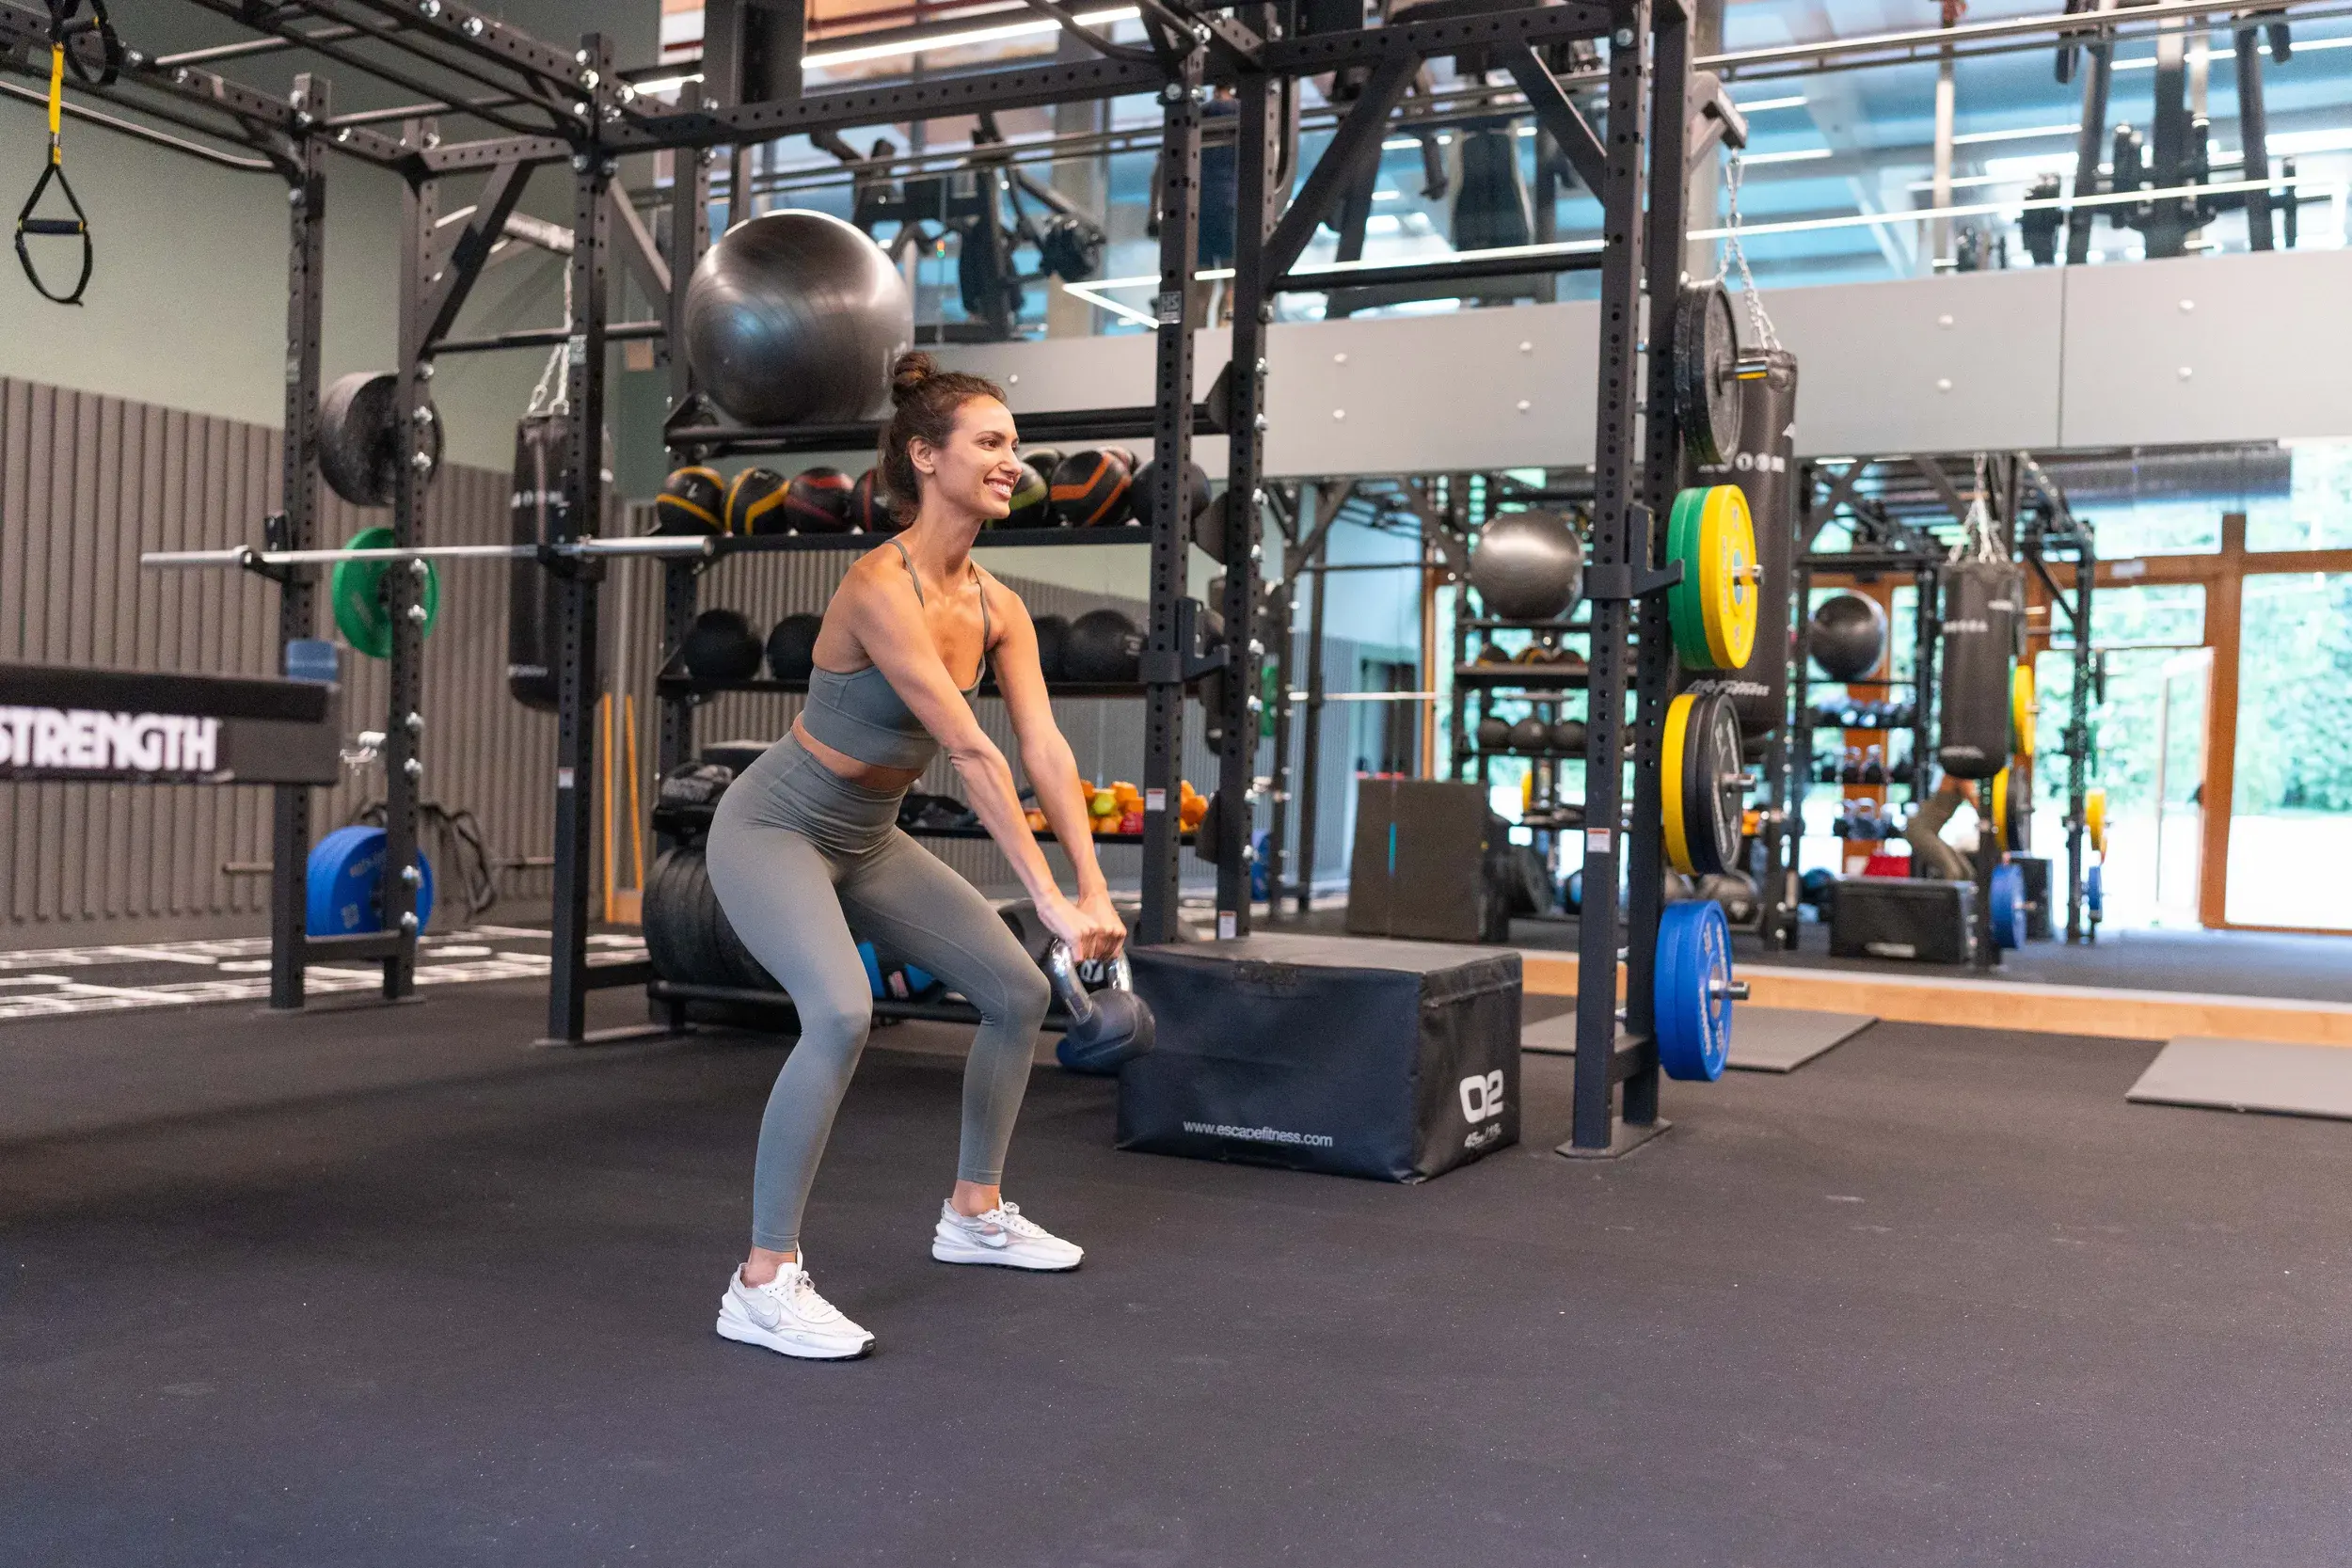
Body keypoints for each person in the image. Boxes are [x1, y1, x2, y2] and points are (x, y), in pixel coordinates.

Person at [706, 353, 1125, 1361]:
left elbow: (1043, 750)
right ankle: (760, 1280)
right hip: (776, 826)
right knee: (842, 1011)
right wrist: (1048, 898)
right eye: (989, 442)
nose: (1010, 461)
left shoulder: (998, 605)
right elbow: (973, 753)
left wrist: (1093, 890)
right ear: (924, 455)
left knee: (1017, 994)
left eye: (1013, 446)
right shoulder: (876, 586)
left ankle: (972, 1211)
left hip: (869, 838)